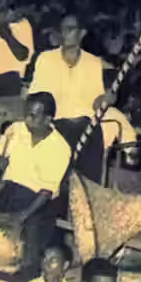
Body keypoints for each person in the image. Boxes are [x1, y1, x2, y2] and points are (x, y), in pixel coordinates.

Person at [0, 92, 70, 270]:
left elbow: (46, 192)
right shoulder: (16, 130)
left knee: (28, 260)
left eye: (33, 115)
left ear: (48, 118)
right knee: (1, 254)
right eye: (27, 113)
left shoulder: (59, 147)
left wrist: (22, 217)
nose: (27, 119)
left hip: (37, 206)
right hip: (9, 195)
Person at [28, 14, 112, 184]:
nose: (65, 33)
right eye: (62, 29)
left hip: (86, 127)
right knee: (57, 182)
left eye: (70, 29)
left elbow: (96, 103)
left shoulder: (94, 63)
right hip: (56, 126)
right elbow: (37, 98)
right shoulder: (45, 59)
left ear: (81, 34)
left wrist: (105, 99)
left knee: (88, 183)